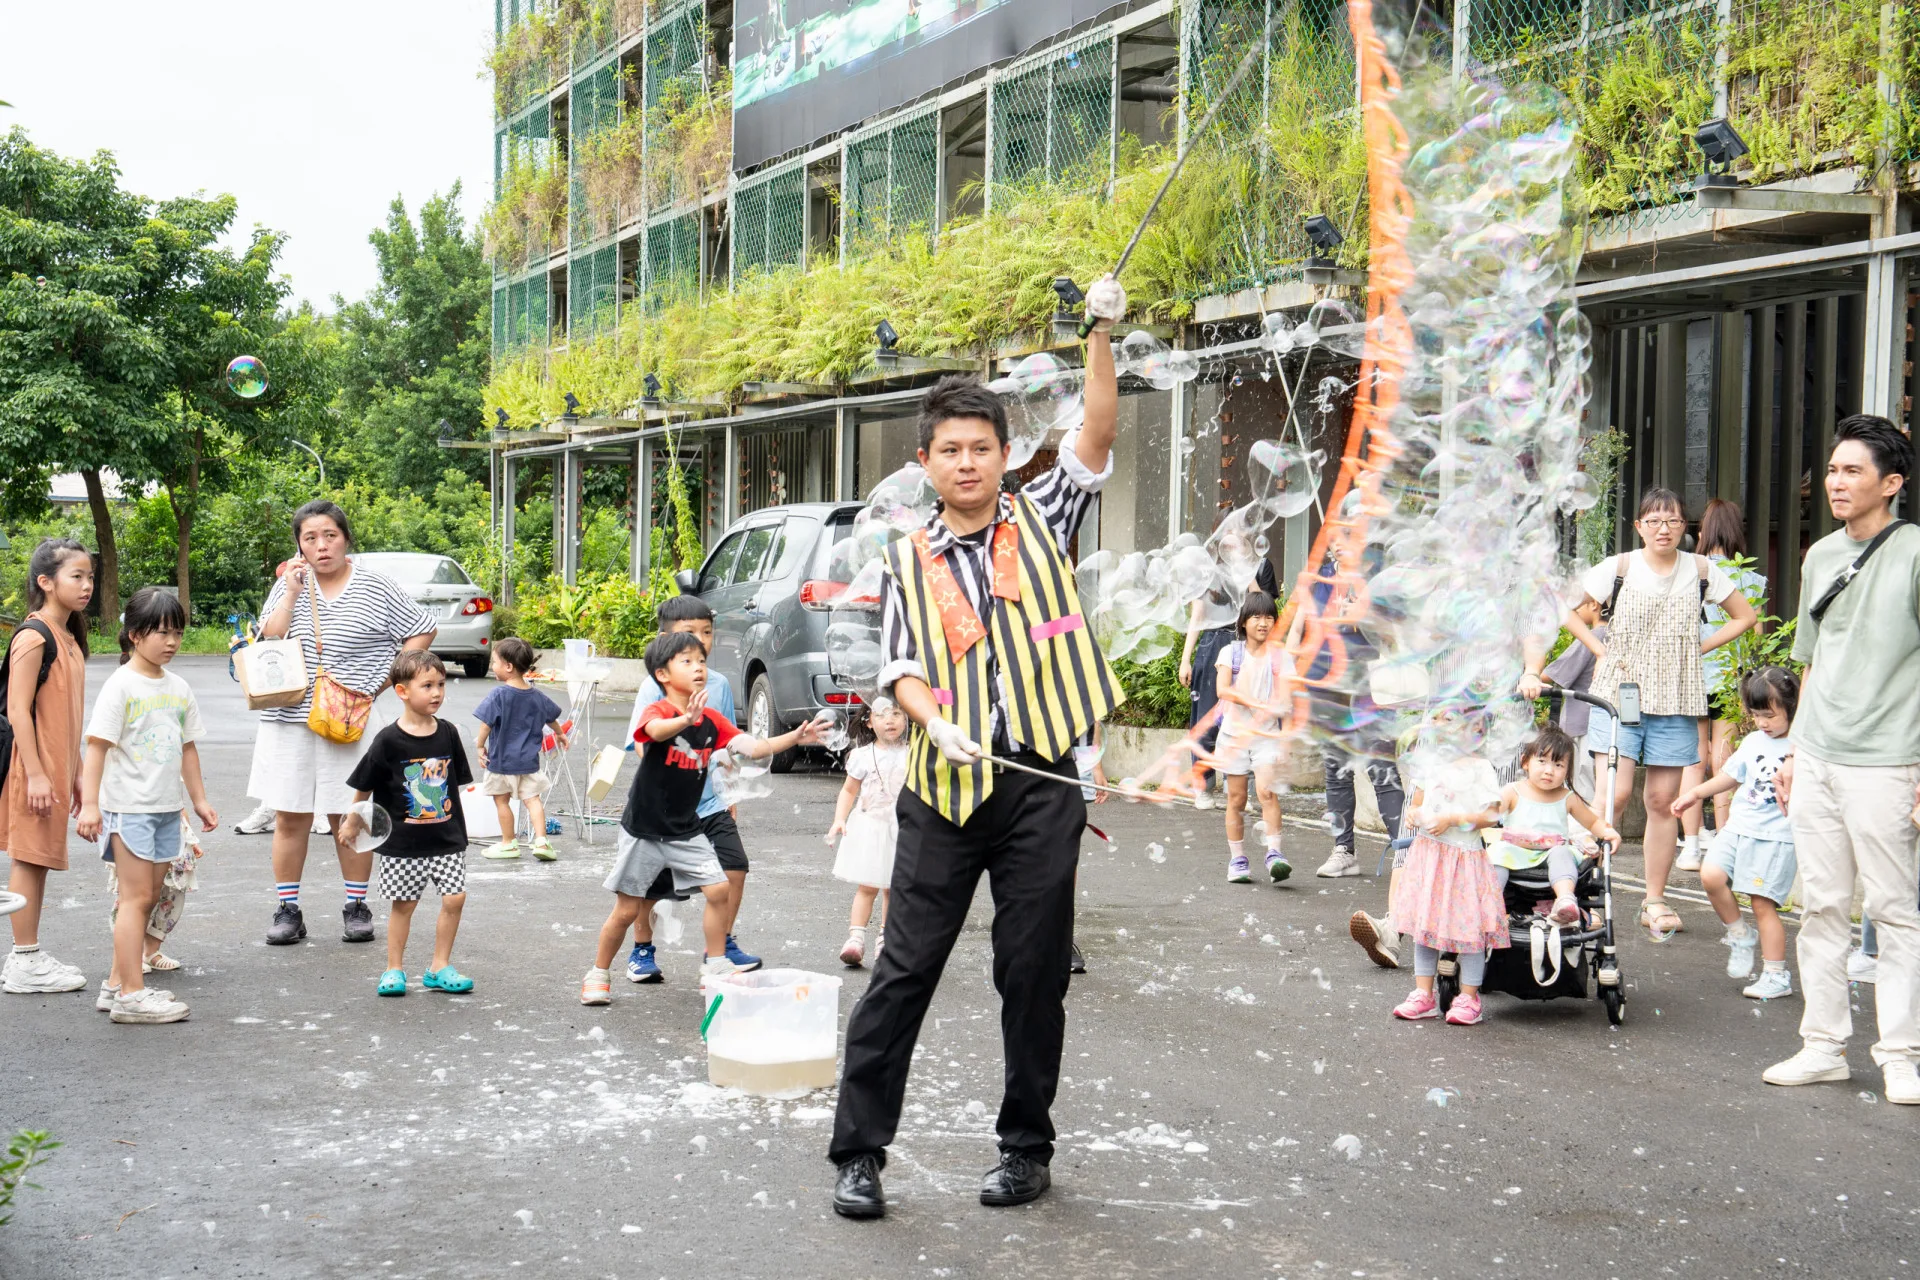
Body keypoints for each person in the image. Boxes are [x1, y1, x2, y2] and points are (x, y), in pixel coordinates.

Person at [828, 274, 1126, 1221]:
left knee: (1031, 974)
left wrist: (1101, 334)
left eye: (982, 448)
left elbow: (1099, 433)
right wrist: (929, 714)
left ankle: (1025, 1149)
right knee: (904, 970)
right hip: (945, 789)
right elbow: (901, 667)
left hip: (1041, 784)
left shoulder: (1046, 518)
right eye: (950, 450)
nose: (967, 463)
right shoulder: (906, 556)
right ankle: (859, 1151)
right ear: (925, 461)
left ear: (1006, 454)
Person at [1765, 415, 1920, 1102]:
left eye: (1852, 470)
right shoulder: (1820, 555)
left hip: (1888, 760)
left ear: (1892, 483)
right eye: (1832, 469)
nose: (1836, 481)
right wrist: (1795, 751)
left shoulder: (1914, 551)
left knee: (1894, 911)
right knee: (1822, 907)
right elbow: (1812, 661)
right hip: (1820, 755)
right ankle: (1822, 1046)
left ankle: (1900, 1055)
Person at [1547, 488, 1756, 940]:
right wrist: (1599, 648)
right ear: (1639, 526)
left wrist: (1696, 649)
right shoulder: (1618, 567)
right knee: (1614, 796)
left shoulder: (1701, 570)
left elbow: (1745, 617)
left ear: (1686, 528)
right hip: (1620, 693)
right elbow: (1566, 611)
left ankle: (1654, 900)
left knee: (1663, 803)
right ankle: (1584, 894)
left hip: (1677, 699)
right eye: (1654, 520)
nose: (1664, 528)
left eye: (1673, 521)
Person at [581, 631, 820, 1004]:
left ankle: (716, 962)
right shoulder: (658, 711)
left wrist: (795, 737)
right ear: (662, 674)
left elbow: (753, 747)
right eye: (687, 661)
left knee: (719, 888)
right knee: (627, 910)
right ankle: (597, 973)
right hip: (644, 830)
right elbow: (653, 733)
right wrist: (683, 720)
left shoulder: (711, 720)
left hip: (684, 829)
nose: (698, 668)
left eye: (702, 661)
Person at [250, 501, 437, 948]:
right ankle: (288, 910)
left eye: (329, 535)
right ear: (299, 544)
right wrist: (292, 591)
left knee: (349, 813)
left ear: (346, 537)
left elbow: (421, 629)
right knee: (289, 815)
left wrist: (386, 681)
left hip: (350, 717)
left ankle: (356, 906)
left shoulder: (375, 585)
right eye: (310, 538)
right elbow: (269, 638)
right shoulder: (288, 585)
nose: (321, 545)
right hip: (289, 714)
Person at [74, 588, 216, 1023]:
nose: (171, 642)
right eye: (161, 633)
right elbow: (96, 749)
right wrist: (91, 806)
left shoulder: (178, 687)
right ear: (134, 635)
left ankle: (116, 985)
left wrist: (199, 800)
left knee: (149, 896)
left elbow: (187, 748)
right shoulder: (121, 685)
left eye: (177, 632)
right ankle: (132, 996)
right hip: (128, 809)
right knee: (135, 899)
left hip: (164, 808)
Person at [620, 595, 757, 982]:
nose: (702, 641)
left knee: (735, 868)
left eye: (707, 632)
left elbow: (726, 744)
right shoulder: (655, 688)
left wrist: (729, 793)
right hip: (665, 810)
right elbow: (644, 743)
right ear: (665, 642)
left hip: (710, 803)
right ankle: (642, 950)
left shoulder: (720, 685)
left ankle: (722, 944)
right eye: (689, 634)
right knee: (650, 885)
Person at [342, 651, 474, 997]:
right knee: (403, 906)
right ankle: (394, 969)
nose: (437, 693)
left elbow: (454, 786)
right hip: (403, 845)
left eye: (441, 685)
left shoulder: (448, 733)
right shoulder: (388, 739)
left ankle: (439, 966)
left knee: (455, 899)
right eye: (427, 685)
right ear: (402, 691)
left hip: (447, 838)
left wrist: (465, 828)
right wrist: (353, 820)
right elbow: (364, 784)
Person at [1, 539, 94, 995]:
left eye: (89, 577)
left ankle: (28, 954)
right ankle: (23, 958)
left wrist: (75, 772)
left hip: (56, 767)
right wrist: (37, 773)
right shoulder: (34, 635)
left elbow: (67, 714)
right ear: (45, 582)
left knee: (37, 859)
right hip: (30, 766)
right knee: (29, 855)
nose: (86, 585)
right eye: (76, 576)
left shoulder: (70, 636)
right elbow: (19, 710)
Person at [1673, 666, 1799, 1001]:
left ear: (1792, 706)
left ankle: (1776, 974)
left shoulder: (1802, 746)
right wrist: (1695, 794)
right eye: (1757, 715)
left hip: (1775, 835)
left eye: (1770, 715)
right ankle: (1739, 934)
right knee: (1711, 876)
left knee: (1762, 904)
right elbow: (1730, 776)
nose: (1762, 722)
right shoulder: (1753, 740)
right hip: (1740, 827)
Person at [1388, 739, 1509, 1026]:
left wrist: (1453, 819)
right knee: (1425, 925)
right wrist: (1415, 814)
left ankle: (1469, 997)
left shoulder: (1480, 768)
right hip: (1429, 856)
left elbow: (1492, 816)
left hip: (1464, 859)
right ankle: (1423, 994)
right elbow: (1416, 803)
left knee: (1469, 930)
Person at [1677, 498, 1767, 871]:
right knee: (1725, 757)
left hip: (1691, 675)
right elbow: (1757, 632)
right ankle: (1725, 843)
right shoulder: (1750, 578)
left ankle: (1691, 846)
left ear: (1703, 532)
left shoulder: (1689, 572)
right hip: (1731, 677)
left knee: (1692, 758)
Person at [1486, 726, 1618, 926]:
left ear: (1567, 771)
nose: (1549, 771)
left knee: (1562, 853)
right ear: (1526, 762)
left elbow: (1591, 822)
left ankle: (1565, 900)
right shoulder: (1513, 791)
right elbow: (1489, 814)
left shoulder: (1567, 797)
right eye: (1542, 761)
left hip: (1550, 853)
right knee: (1497, 853)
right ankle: (1490, 904)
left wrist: (1609, 832)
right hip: (1515, 851)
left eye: (1558, 765)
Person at [1178, 553, 1279, 805]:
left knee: (1251, 713)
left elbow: (1263, 607)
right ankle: (1203, 785)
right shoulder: (1207, 570)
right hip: (1214, 642)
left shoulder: (1261, 565)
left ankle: (1246, 785)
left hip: (1249, 643)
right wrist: (1185, 658)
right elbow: (1197, 615)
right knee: (1207, 718)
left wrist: (1247, 575)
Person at [1211, 591, 1293, 884]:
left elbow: (1287, 702)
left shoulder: (1281, 658)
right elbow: (1222, 689)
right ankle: (1238, 860)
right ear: (1244, 622)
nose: (1263, 622)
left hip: (1267, 736)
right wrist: (1255, 703)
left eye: (1269, 617)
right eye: (1257, 616)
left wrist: (1285, 740)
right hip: (1235, 736)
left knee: (1267, 793)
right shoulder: (1230, 653)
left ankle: (1274, 855)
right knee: (1236, 799)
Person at [826, 697, 909, 967]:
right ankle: (855, 938)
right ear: (869, 722)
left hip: (901, 828)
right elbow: (849, 790)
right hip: (870, 825)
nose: (890, 720)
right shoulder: (862, 755)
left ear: (907, 719)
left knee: (892, 888)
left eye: (897, 713)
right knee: (868, 886)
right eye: (883, 715)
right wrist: (840, 819)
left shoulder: (912, 752)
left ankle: (886, 938)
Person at [473, 637, 568, 861]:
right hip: (528, 763)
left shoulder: (498, 695)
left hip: (501, 762)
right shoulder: (537, 696)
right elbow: (552, 718)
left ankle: (509, 843)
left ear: (508, 666)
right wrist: (561, 733)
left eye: (495, 662)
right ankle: (542, 841)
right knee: (532, 800)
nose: (492, 666)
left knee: (501, 801)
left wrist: (479, 746)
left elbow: (486, 724)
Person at [1540, 596, 1605, 803]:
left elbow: (1549, 676)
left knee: (1582, 784)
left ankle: (1584, 831)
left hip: (1581, 723)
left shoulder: (1593, 637)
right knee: (1603, 784)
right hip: (1607, 723)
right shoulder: (1618, 638)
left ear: (1594, 604)